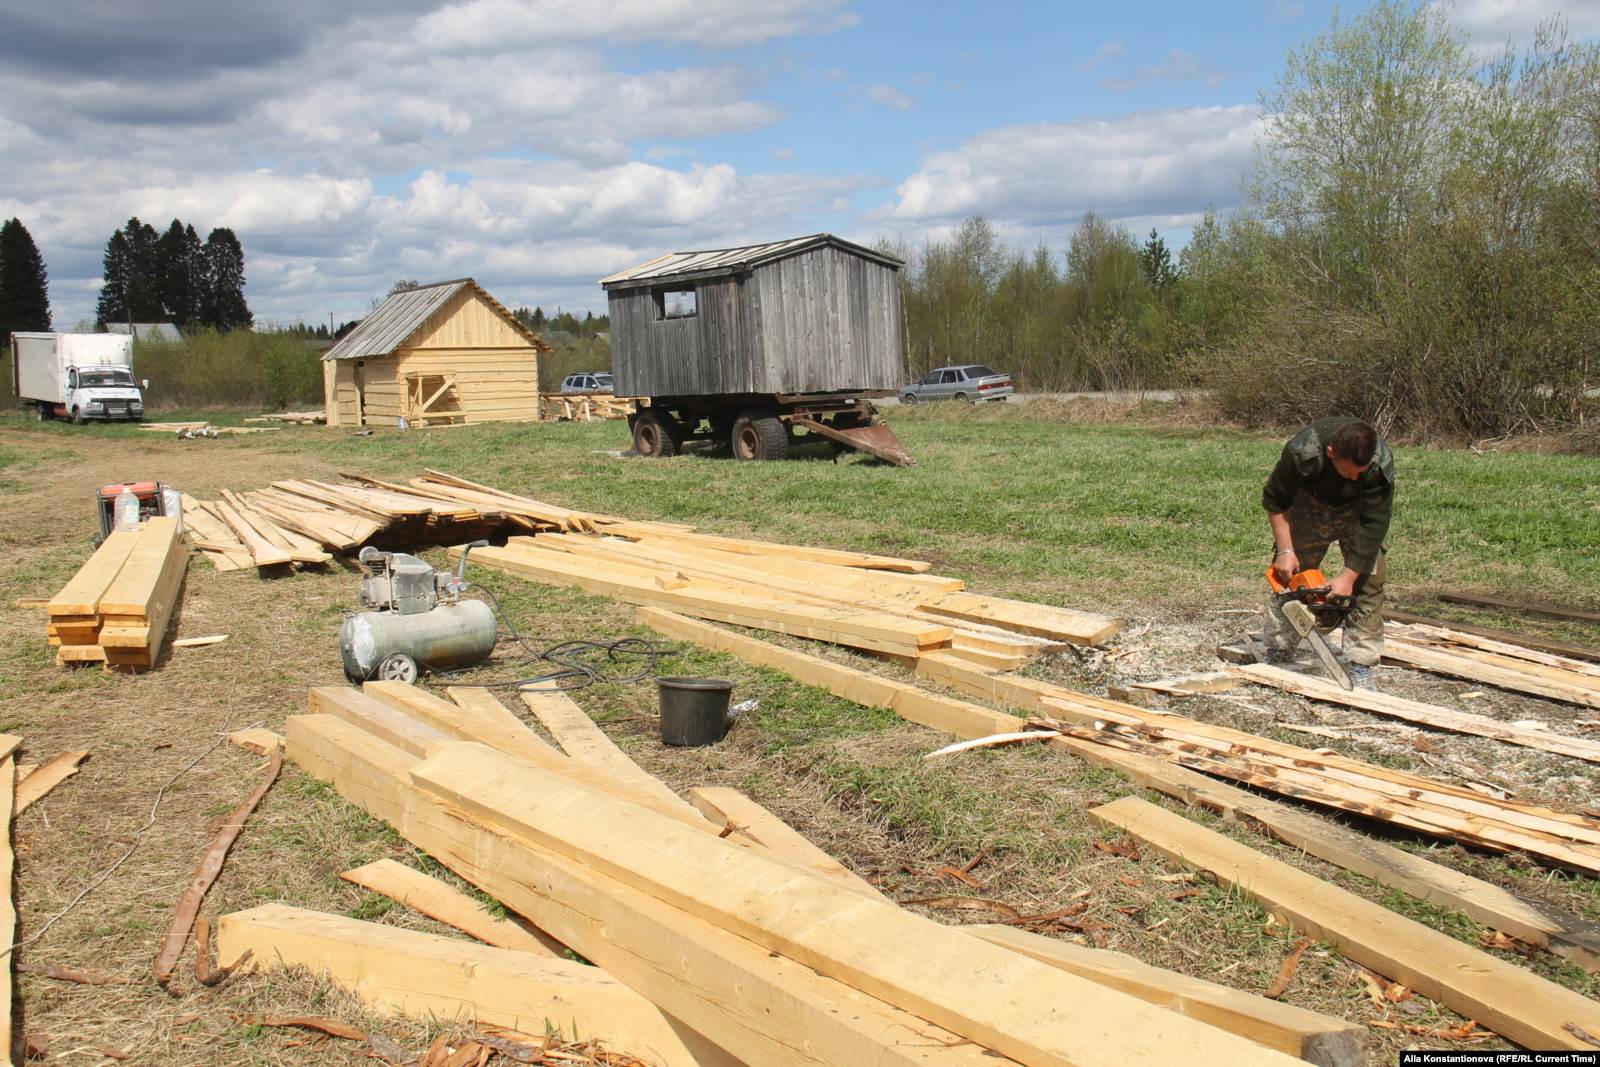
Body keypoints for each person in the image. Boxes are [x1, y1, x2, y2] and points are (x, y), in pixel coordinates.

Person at [1261, 417, 1394, 689]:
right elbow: (1275, 499)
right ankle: (1279, 649)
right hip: (1310, 505)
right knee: (1291, 579)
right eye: (1349, 472)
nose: (1356, 477)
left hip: (1358, 513)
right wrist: (1286, 550)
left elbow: (1375, 521)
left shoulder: (1380, 463)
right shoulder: (1303, 451)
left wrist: (1349, 575)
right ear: (1331, 452)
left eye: (1361, 472)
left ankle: (1361, 662)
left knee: (1369, 582)